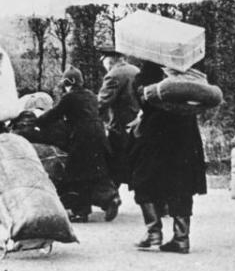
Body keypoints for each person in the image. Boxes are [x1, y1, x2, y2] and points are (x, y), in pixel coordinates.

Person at [129, 61, 207, 254]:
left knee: (143, 179)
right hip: (186, 134)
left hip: (156, 133)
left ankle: (153, 233)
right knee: (182, 182)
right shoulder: (188, 69)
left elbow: (144, 101)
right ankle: (181, 238)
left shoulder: (149, 70)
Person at [36, 66, 120, 222]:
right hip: (100, 136)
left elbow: (54, 114)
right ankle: (111, 198)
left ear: (70, 82)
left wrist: (37, 120)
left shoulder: (70, 97)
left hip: (83, 138)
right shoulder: (91, 96)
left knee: (76, 175)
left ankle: (81, 211)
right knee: (98, 171)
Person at [97, 47, 140, 187]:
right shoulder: (136, 70)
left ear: (109, 60)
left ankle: (111, 201)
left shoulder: (113, 75)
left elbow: (101, 103)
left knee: (112, 167)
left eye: (103, 61)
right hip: (139, 126)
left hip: (120, 129)